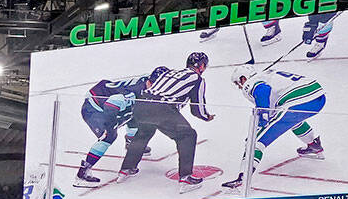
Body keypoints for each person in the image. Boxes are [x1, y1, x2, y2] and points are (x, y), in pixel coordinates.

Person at [114, 52, 213, 186]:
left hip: (141, 104)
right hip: (161, 108)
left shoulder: (169, 73)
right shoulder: (197, 78)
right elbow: (197, 108)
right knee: (188, 135)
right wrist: (206, 116)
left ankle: (126, 169)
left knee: (144, 132)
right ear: (201, 66)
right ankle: (186, 177)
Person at [222, 68, 326, 189]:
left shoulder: (252, 82)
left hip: (298, 100)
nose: (239, 87)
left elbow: (262, 91)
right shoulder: (268, 75)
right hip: (318, 97)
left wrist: (263, 114)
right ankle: (313, 145)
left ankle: (242, 178)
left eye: (237, 83)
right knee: (289, 121)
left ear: (243, 78)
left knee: (255, 140)